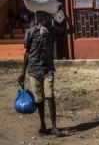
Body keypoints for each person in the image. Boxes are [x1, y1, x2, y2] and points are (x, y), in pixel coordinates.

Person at [18, 8, 74, 136]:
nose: (43, 18)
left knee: (50, 97)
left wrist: (66, 17)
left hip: (48, 69)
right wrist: (22, 72)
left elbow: (72, 31)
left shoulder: (53, 31)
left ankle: (54, 126)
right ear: (37, 18)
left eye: (45, 16)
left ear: (50, 18)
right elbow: (27, 53)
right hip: (33, 70)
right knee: (39, 99)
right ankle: (43, 125)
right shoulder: (30, 32)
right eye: (40, 16)